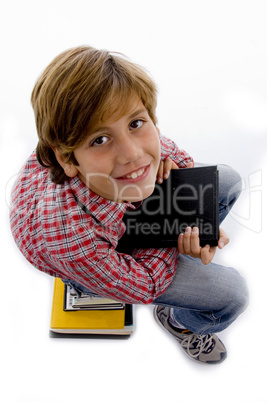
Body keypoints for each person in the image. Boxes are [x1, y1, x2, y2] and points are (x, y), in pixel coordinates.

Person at [10, 46, 248, 364]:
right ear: (67, 159)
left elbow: (171, 152)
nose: (133, 154)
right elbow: (146, 285)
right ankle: (180, 323)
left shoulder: (118, 156)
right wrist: (178, 235)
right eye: (99, 139)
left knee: (227, 181)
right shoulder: (73, 239)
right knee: (232, 295)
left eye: (136, 123)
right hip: (84, 247)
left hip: (107, 200)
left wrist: (190, 215)